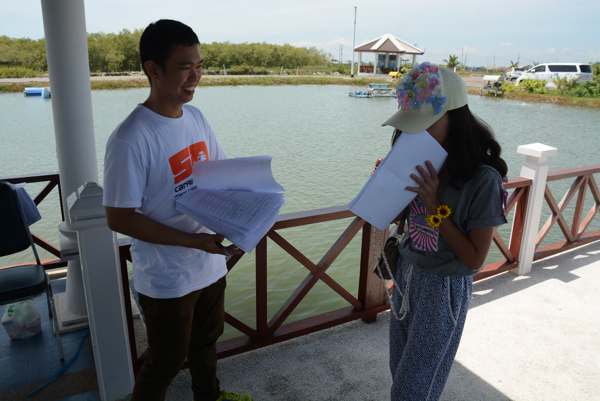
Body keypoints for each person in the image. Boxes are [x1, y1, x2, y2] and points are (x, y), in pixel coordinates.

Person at [102, 19, 251, 401]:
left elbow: (220, 176)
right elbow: (119, 217)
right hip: (167, 276)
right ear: (153, 69)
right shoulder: (131, 138)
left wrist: (247, 213)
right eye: (185, 67)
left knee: (207, 342)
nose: (196, 76)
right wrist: (191, 241)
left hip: (210, 262)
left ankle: (209, 396)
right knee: (165, 361)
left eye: (199, 65)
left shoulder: (196, 119)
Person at [382, 62, 508, 401]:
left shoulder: (483, 179)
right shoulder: (420, 158)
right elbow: (397, 219)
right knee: (399, 372)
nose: (416, 133)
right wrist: (387, 185)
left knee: (413, 390)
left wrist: (434, 204)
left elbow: (474, 259)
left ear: (455, 117)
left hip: (443, 287)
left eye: (426, 124)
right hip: (407, 271)